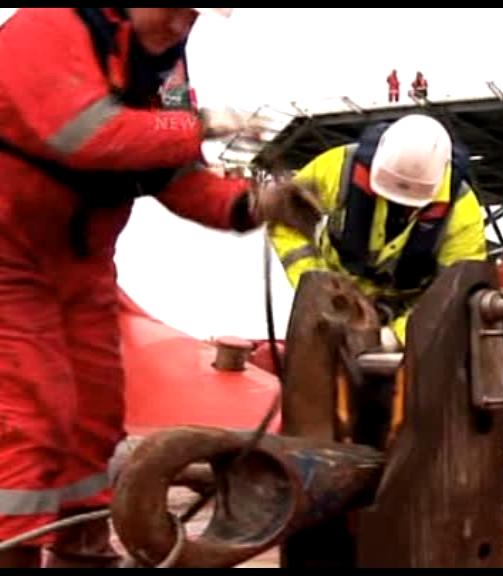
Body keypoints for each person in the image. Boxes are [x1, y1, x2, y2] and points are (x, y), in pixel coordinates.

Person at [0, 7, 322, 567]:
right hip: (10, 258)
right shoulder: (48, 27)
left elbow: (176, 178)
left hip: (83, 267)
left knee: (95, 416)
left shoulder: (162, 69)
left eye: (192, 16)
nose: (180, 26)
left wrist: (253, 204)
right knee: (31, 415)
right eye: (174, 10)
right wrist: (199, 125)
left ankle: (82, 549)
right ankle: (14, 551)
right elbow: (86, 135)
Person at [268, 113, 486, 353]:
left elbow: (454, 294)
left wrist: (398, 337)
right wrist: (316, 284)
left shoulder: (462, 212)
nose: (400, 204)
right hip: (334, 301)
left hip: (406, 313)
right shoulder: (340, 167)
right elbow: (283, 218)